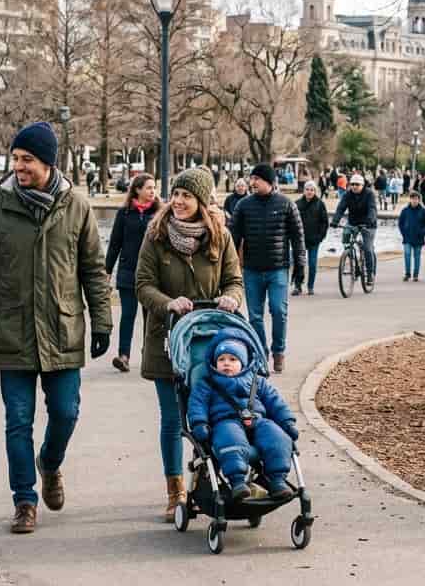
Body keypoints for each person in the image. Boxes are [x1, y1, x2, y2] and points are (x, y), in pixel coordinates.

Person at [0, 122, 113, 535]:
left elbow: (94, 271)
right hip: (14, 329)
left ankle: (51, 462)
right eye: (16, 159)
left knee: (66, 412)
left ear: (47, 162)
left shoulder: (77, 206)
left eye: (27, 160)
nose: (19, 167)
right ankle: (24, 500)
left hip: (63, 328)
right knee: (18, 420)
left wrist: (102, 322)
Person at [135, 168, 244, 520]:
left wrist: (230, 297)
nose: (179, 202)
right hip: (167, 339)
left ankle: (209, 479)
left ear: (202, 201)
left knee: (211, 414)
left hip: (210, 342)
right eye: (176, 194)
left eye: (187, 196)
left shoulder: (220, 236)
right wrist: (167, 302)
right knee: (172, 419)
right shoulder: (156, 235)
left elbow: (234, 280)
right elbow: (143, 284)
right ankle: (175, 490)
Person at [186, 334, 298, 501]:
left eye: (232, 359)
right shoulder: (206, 383)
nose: (226, 363)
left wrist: (287, 421)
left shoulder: (257, 382)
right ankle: (238, 482)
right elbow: (197, 404)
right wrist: (199, 423)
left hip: (258, 421)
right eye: (221, 359)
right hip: (225, 422)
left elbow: (276, 402)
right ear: (214, 363)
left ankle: (277, 480)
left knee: (277, 437)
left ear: (243, 363)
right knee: (230, 438)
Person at [229, 164, 305, 373]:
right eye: (251, 178)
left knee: (279, 311)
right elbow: (232, 237)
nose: (252, 183)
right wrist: (229, 265)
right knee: (255, 316)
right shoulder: (243, 206)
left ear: (269, 182)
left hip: (277, 268)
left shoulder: (286, 204)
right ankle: (261, 353)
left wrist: (300, 265)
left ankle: (279, 351)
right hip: (252, 269)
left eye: (257, 179)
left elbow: (298, 237)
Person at [105, 173, 160, 373]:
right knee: (128, 315)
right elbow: (114, 244)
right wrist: (107, 271)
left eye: (154, 188)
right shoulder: (124, 214)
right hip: (128, 272)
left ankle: (149, 355)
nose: (153, 191)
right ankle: (124, 356)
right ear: (137, 190)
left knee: (150, 317)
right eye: (148, 188)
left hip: (152, 275)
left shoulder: (160, 213)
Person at [332, 173, 379, 284]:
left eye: (357, 184)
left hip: (368, 224)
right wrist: (335, 221)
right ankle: (350, 256)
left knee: (367, 248)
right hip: (353, 222)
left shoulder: (369, 194)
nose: (354, 186)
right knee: (346, 236)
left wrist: (369, 220)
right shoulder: (348, 195)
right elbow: (340, 208)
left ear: (362, 185)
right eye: (352, 184)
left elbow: (372, 209)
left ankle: (370, 274)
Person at [294, 180, 329, 295]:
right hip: (300, 240)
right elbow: (291, 221)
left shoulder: (320, 204)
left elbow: (324, 222)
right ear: (304, 191)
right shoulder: (297, 204)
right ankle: (297, 286)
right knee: (299, 264)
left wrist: (320, 237)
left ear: (315, 191)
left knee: (312, 264)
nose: (309, 192)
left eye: (312, 190)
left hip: (314, 240)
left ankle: (310, 286)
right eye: (307, 189)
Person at [397, 190, 425, 281]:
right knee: (407, 255)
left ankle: (416, 275)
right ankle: (407, 273)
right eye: (413, 199)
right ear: (410, 199)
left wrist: (423, 233)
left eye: (416, 199)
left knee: (417, 256)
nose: (414, 201)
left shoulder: (423, 211)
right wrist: (403, 233)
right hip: (407, 237)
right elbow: (400, 223)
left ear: (419, 200)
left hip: (419, 237)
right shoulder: (405, 211)